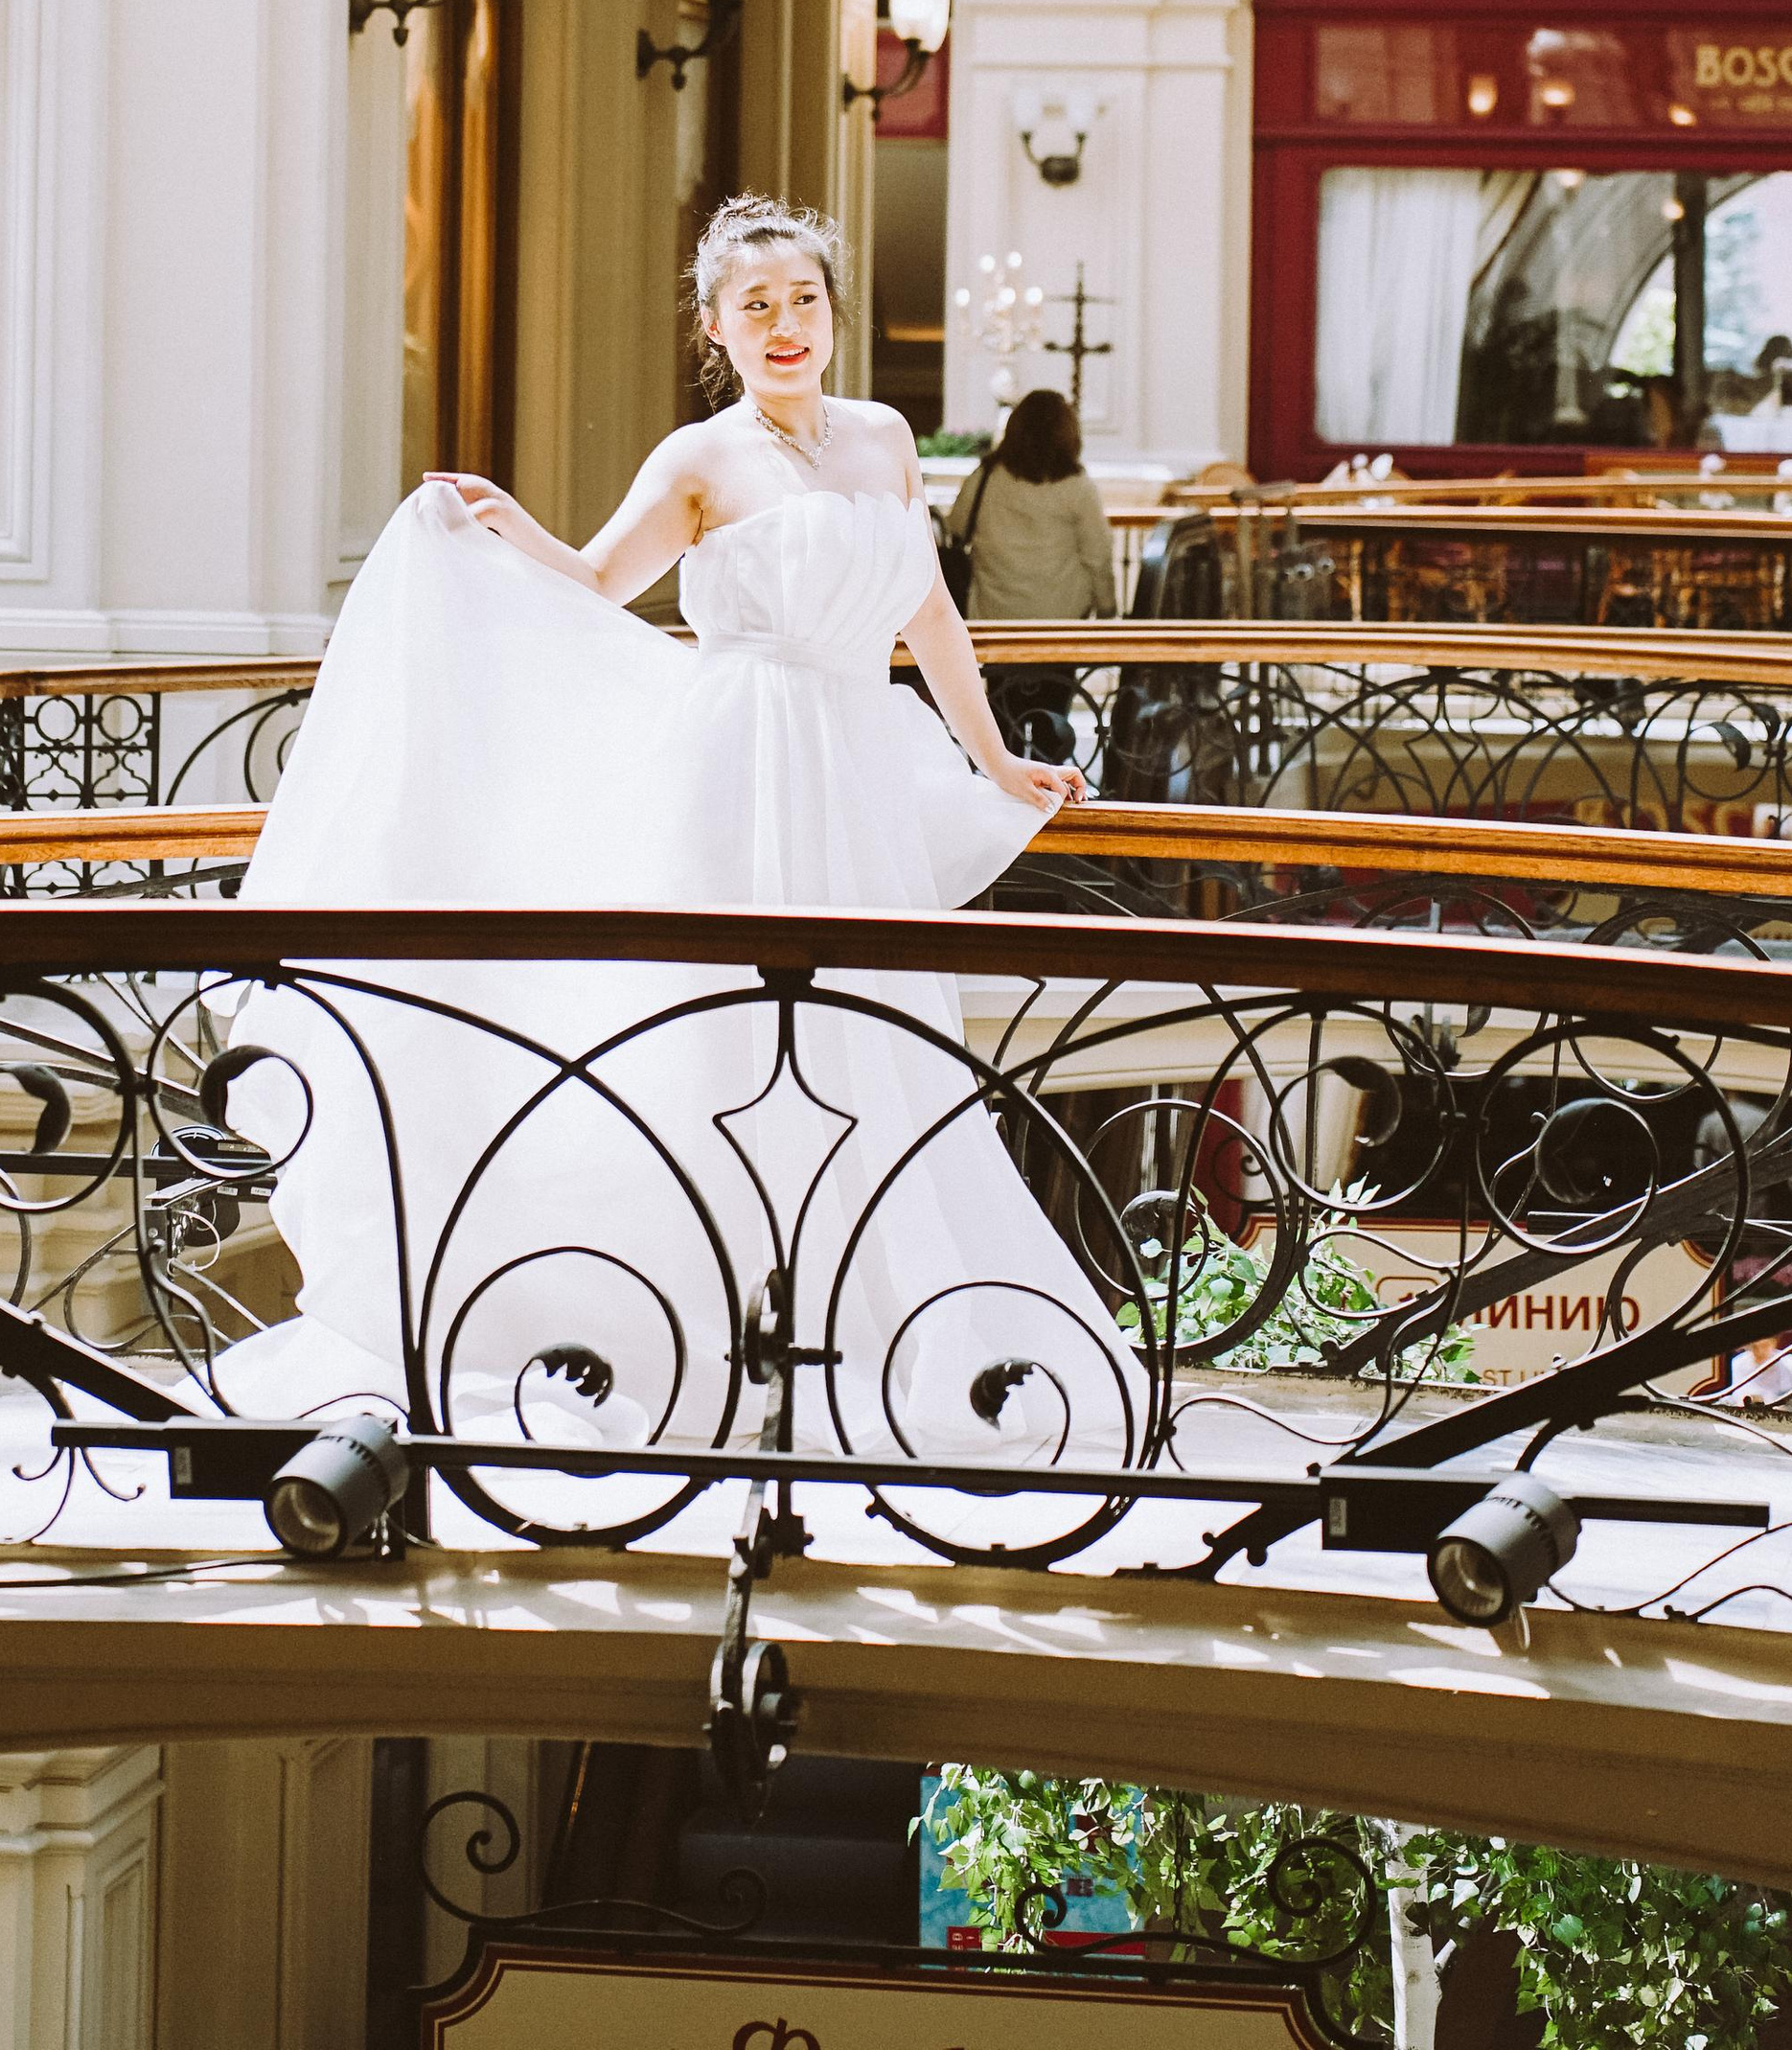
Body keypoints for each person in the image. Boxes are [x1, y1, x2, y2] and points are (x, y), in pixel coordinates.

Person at [218, 194, 1142, 1479]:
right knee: (717, 1042)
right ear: (715, 325)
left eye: (803, 301)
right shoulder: (699, 458)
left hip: (855, 776)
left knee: (873, 1045)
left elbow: (927, 612)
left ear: (833, 313)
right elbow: (600, 584)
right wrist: (500, 529)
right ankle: (682, 1331)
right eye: (754, 305)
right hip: (738, 766)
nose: (783, 325)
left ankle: (864, 1325)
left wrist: (996, 758)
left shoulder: (882, 439)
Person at [948, 386, 1116, 625]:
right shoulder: (1076, 485)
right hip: (1061, 617)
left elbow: (956, 528)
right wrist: (1107, 607)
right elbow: (1097, 555)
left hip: (993, 614)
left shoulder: (984, 478)